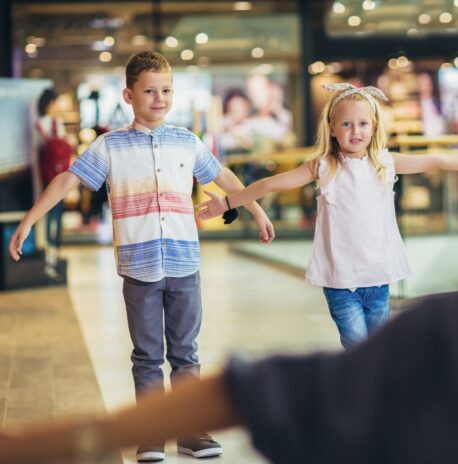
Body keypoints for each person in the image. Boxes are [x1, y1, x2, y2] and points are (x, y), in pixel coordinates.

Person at [3, 101, 458, 464]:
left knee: (356, 343)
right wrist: (239, 201)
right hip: (330, 277)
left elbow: (252, 392)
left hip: (361, 282)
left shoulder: (457, 332)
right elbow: (273, 180)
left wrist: (35, 447)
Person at [7, 51, 275, 463]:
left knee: (186, 353)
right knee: (147, 356)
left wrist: (256, 210)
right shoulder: (110, 146)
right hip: (140, 269)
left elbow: (222, 177)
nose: (159, 98)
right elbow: (67, 180)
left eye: (166, 90)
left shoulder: (187, 140)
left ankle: (190, 431)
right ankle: (152, 436)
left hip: (185, 265)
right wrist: (29, 220)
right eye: (149, 91)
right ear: (129, 95)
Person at [197, 82, 458, 349]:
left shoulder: (386, 163)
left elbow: (437, 159)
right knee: (357, 346)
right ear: (332, 128)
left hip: (378, 278)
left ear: (374, 129)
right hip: (341, 281)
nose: (355, 131)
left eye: (363, 124)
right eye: (346, 124)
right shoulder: (324, 167)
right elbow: (270, 184)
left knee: (378, 351)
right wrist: (227, 203)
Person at [34, 87, 70, 274]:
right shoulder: (56, 123)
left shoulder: (38, 125)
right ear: (50, 103)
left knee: (47, 216)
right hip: (61, 179)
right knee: (57, 215)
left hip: (46, 178)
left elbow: (37, 154)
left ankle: (49, 256)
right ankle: (55, 254)